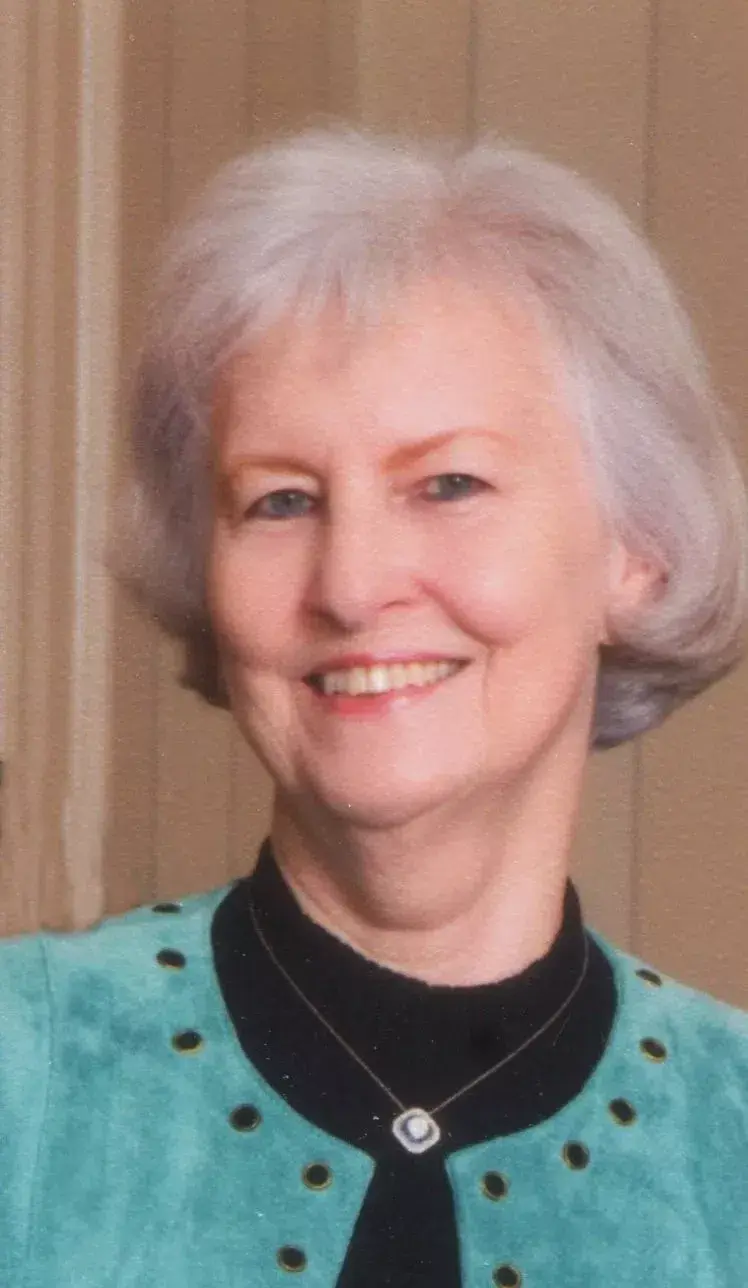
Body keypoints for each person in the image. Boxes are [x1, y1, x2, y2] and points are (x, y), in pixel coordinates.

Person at [2, 127, 747, 1287]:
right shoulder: (26, 1067)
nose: (350, 586)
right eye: (280, 500)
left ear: (636, 551)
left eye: (447, 484)